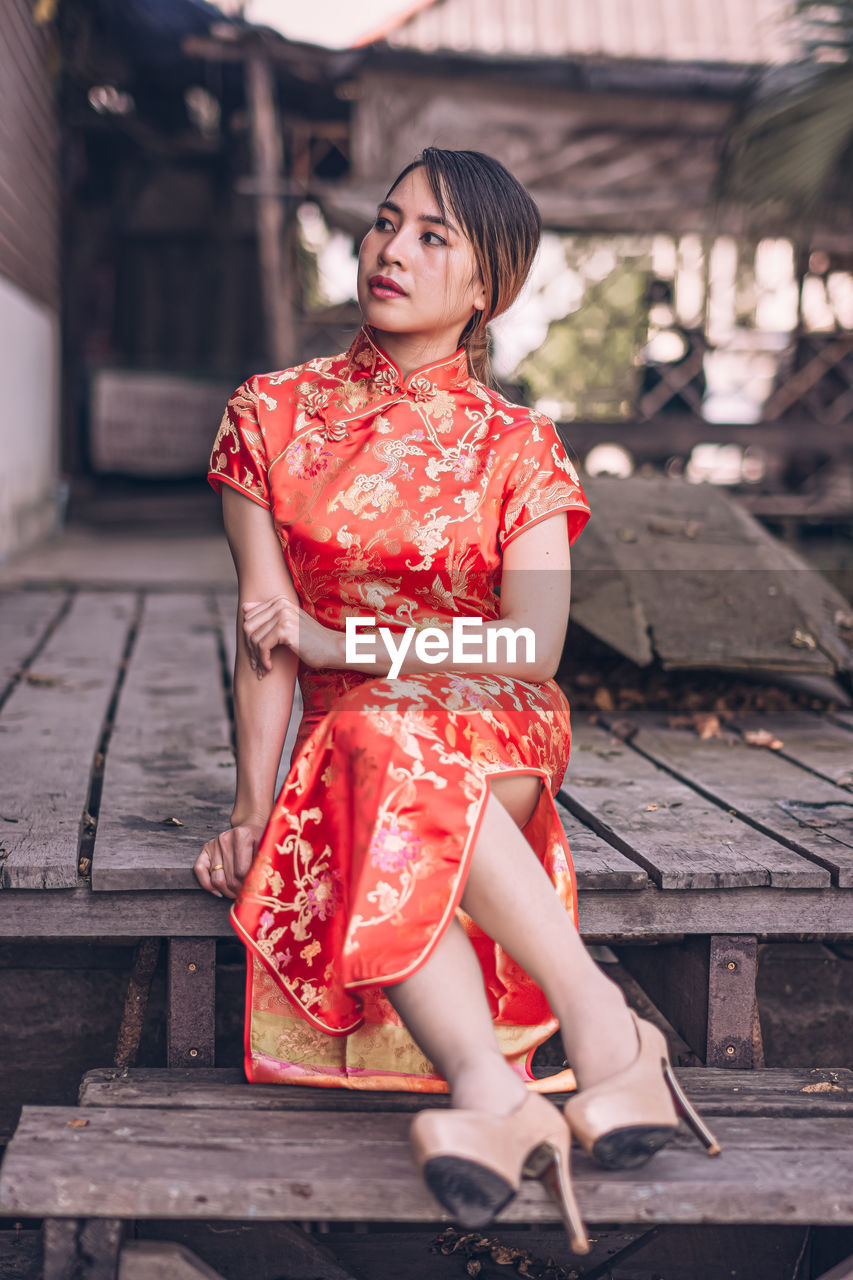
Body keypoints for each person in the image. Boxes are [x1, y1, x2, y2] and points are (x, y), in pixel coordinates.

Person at [195, 147, 720, 1251]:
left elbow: (531, 645)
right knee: (372, 734)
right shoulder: (271, 412)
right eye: (387, 221)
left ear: (488, 287)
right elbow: (261, 634)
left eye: (433, 236)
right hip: (353, 744)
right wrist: (250, 807)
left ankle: (550, 1056)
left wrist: (343, 636)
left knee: (387, 728)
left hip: (498, 723)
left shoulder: (517, 444)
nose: (392, 248)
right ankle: (530, 1072)